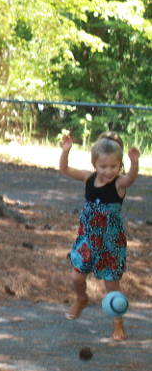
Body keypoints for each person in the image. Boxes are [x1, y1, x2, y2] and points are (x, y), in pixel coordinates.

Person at [59, 131, 139, 341]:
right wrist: (65, 151)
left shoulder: (119, 184)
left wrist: (134, 163)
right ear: (95, 164)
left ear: (119, 165)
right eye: (103, 166)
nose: (108, 171)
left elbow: (131, 178)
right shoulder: (88, 178)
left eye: (113, 166)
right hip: (88, 240)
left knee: (112, 286)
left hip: (110, 244)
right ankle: (81, 299)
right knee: (77, 277)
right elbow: (64, 169)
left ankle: (118, 323)